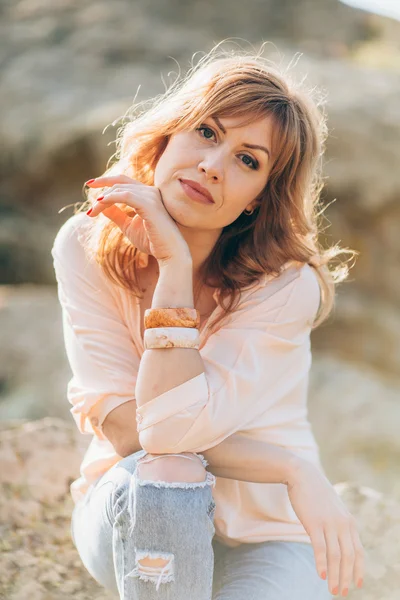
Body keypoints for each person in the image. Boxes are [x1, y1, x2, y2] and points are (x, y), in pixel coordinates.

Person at [51, 43, 365, 600]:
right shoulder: (85, 243)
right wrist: (290, 467)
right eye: (207, 132)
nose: (212, 166)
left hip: (267, 536)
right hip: (136, 506)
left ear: (256, 199)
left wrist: (173, 270)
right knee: (168, 473)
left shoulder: (286, 285)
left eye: (248, 160)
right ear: (170, 132)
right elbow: (142, 436)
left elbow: (168, 430)